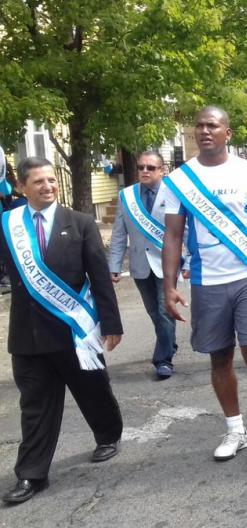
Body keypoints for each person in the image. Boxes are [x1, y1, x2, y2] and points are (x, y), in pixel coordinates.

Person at [159, 106, 247, 469]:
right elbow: (172, 235)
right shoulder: (181, 180)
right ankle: (235, 430)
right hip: (206, 280)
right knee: (219, 356)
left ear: (227, 132)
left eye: (212, 125)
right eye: (199, 126)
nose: (204, 131)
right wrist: (168, 286)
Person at [0, 157, 123, 504]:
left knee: (92, 389)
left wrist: (111, 324)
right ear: (22, 188)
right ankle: (31, 474)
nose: (48, 186)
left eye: (52, 180)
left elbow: (99, 276)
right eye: (38, 182)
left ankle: (108, 435)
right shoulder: (7, 225)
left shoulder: (80, 222)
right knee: (35, 406)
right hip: (28, 335)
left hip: (75, 331)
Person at [108, 151, 180, 379]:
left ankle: (163, 359)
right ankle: (169, 344)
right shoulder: (126, 196)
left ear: (162, 170)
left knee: (165, 310)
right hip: (140, 264)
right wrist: (114, 265)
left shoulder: (173, 194)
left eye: (150, 167)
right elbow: (119, 234)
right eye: (141, 167)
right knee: (154, 313)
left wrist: (188, 259)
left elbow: (184, 231)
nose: (145, 171)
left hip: (167, 264)